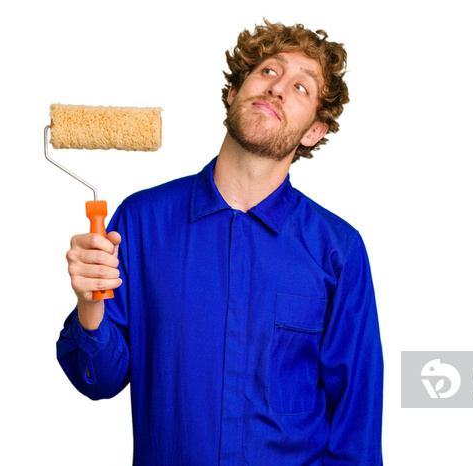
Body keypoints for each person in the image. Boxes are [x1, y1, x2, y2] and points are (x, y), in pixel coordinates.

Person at [57, 19, 383, 465]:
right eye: (267, 71)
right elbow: (98, 380)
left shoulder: (338, 251)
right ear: (234, 92)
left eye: (301, 88)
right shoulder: (140, 221)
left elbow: (356, 425)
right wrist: (90, 304)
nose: (277, 89)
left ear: (313, 132)